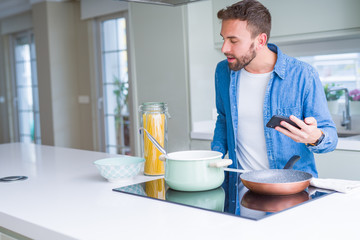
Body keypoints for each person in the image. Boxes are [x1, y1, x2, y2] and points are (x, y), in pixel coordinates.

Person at [211, 0, 338, 178]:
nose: (225, 48)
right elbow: (224, 120)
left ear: (261, 40)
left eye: (233, 41)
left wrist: (315, 137)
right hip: (239, 190)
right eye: (223, 39)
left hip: (291, 190)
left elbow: (331, 139)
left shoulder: (303, 75)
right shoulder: (223, 71)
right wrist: (212, 157)